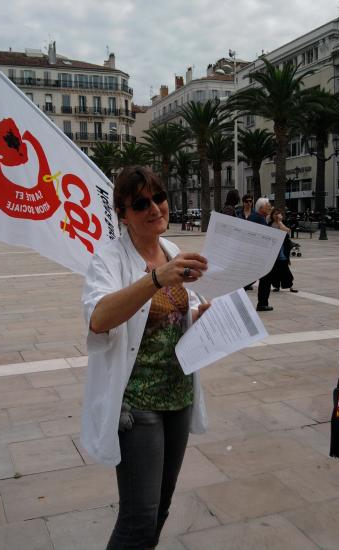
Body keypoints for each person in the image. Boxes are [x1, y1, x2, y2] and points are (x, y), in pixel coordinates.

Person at [82, 166, 210, 549]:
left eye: (159, 196)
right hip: (138, 405)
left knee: (161, 509)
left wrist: (201, 316)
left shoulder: (173, 251)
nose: (155, 208)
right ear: (123, 214)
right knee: (138, 517)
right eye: (140, 203)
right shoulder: (109, 259)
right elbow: (98, 318)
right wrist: (155, 279)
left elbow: (181, 315)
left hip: (179, 396)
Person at [248, 197, 273, 311]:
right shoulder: (259, 218)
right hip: (259, 255)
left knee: (252, 278)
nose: (270, 207)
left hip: (253, 254)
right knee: (265, 278)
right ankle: (262, 303)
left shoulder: (254, 216)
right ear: (261, 207)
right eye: (268, 205)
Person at [268, 208, 298, 293]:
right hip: (272, 248)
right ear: (272, 215)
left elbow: (287, 231)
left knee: (284, 266)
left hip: (282, 247)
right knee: (275, 268)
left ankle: (290, 285)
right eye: (275, 214)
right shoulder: (270, 224)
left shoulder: (282, 223)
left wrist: (280, 222)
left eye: (278, 214)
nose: (276, 215)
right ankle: (276, 286)